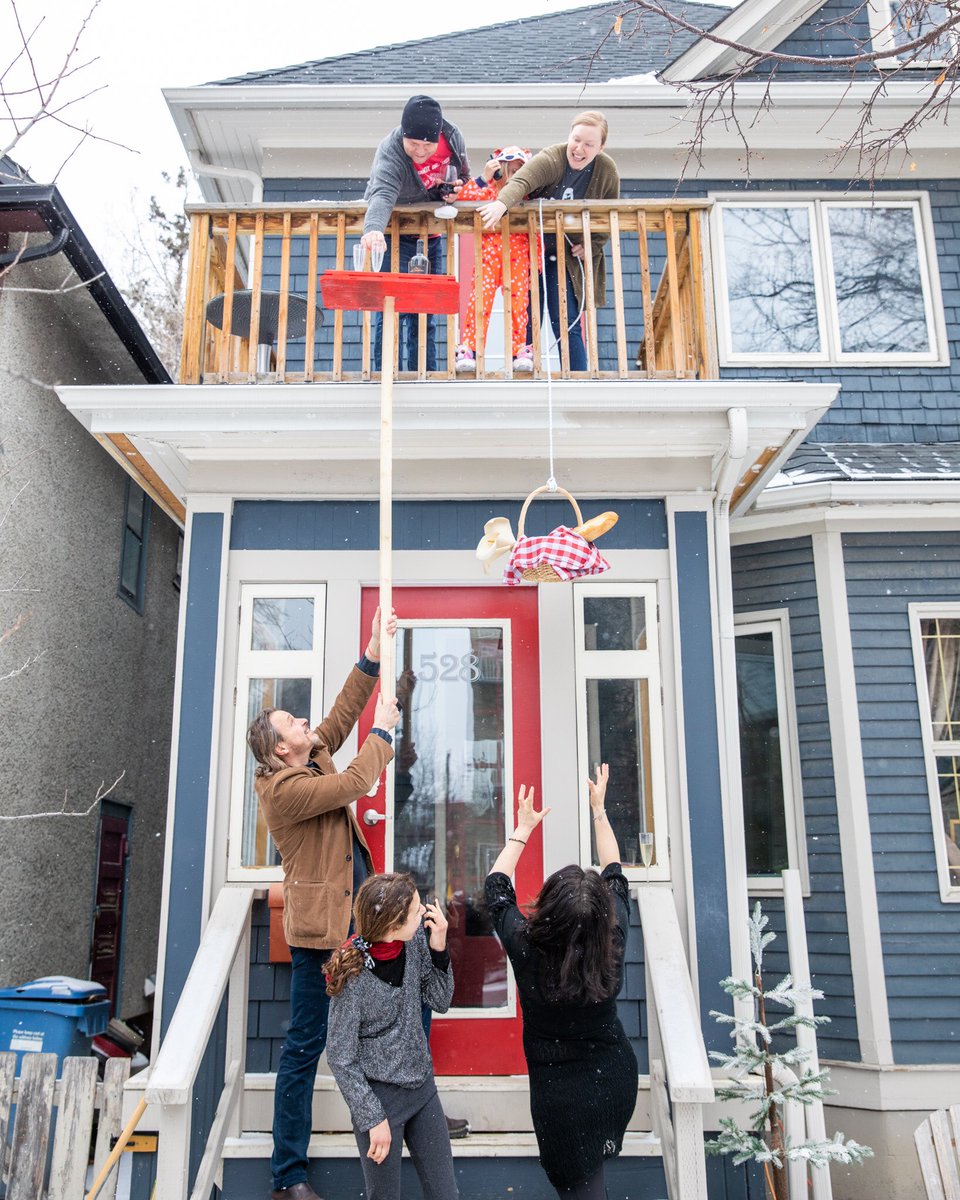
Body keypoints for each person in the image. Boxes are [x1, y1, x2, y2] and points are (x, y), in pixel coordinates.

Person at [246, 607, 400, 1200]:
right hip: (320, 937)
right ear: (280, 750)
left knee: (389, 1021)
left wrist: (370, 655)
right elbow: (352, 784)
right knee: (307, 1045)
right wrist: (383, 733)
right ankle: (288, 1175)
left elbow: (338, 716)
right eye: (293, 722)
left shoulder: (309, 755)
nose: (305, 722)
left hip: (357, 921)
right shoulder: (285, 789)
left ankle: (410, 1115)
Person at [484, 766, 638, 1200]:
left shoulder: (525, 945)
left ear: (548, 908)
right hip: (613, 1079)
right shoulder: (614, 939)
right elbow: (615, 871)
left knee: (581, 1188)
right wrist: (599, 811)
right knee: (594, 1176)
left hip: (560, 1099)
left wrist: (523, 829)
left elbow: (497, 887)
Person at [325, 873, 458, 1200]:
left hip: (421, 1088)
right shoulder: (351, 974)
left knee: (446, 1195)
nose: (423, 913)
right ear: (391, 925)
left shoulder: (413, 943)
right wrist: (372, 1118)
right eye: (416, 912)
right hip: (379, 1098)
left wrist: (439, 947)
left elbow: (439, 1001)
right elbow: (340, 1057)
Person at [478, 112, 619, 372]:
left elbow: (607, 214)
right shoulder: (552, 159)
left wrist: (592, 245)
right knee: (530, 316)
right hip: (531, 250)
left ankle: (576, 376)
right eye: (576, 140)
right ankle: (525, 374)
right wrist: (501, 203)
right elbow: (520, 181)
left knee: (565, 320)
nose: (579, 149)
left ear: (600, 147)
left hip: (563, 255)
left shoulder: (606, 170)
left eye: (589, 144)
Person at [359, 95, 470, 372]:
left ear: (438, 135)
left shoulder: (453, 138)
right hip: (392, 233)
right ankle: (389, 372)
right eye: (414, 144)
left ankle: (424, 373)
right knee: (392, 309)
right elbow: (382, 193)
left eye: (427, 145)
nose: (420, 152)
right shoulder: (391, 150)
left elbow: (464, 177)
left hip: (430, 234)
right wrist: (372, 229)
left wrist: (455, 189)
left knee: (425, 310)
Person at [454, 146, 535, 374]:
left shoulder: (528, 195)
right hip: (489, 254)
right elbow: (463, 197)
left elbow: (536, 228)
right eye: (509, 170)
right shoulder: (487, 191)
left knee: (518, 305)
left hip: (518, 256)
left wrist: (536, 258)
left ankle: (519, 349)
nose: (513, 177)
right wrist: (483, 177)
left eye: (519, 171)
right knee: (480, 302)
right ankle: (469, 348)